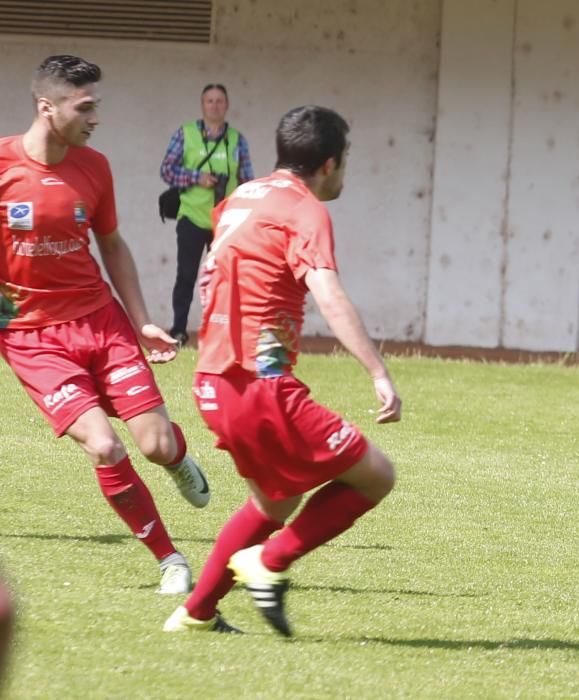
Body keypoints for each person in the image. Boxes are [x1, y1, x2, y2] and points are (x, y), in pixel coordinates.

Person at [164, 105, 401, 637]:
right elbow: (329, 295)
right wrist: (378, 372)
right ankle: (268, 564)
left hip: (214, 379)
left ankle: (195, 612)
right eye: (346, 163)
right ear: (329, 163)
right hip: (259, 383)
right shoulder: (305, 210)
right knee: (376, 477)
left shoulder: (240, 199)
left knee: (275, 500)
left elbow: (211, 280)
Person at [0, 55, 211, 595]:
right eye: (85, 106)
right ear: (47, 107)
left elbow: (112, 244)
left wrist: (142, 321)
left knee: (158, 445)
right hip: (31, 336)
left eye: (97, 105)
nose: (96, 117)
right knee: (104, 446)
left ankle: (179, 461)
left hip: (101, 322)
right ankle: (170, 560)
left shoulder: (95, 167)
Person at [159, 83, 253, 346]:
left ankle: (219, 332)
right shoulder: (185, 134)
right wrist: (196, 177)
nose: (215, 105)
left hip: (225, 220)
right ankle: (178, 330)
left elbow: (246, 178)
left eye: (220, 101)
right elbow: (167, 170)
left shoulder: (237, 140)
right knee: (186, 276)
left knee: (225, 279)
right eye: (209, 101)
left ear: (227, 105)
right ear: (202, 105)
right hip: (191, 216)